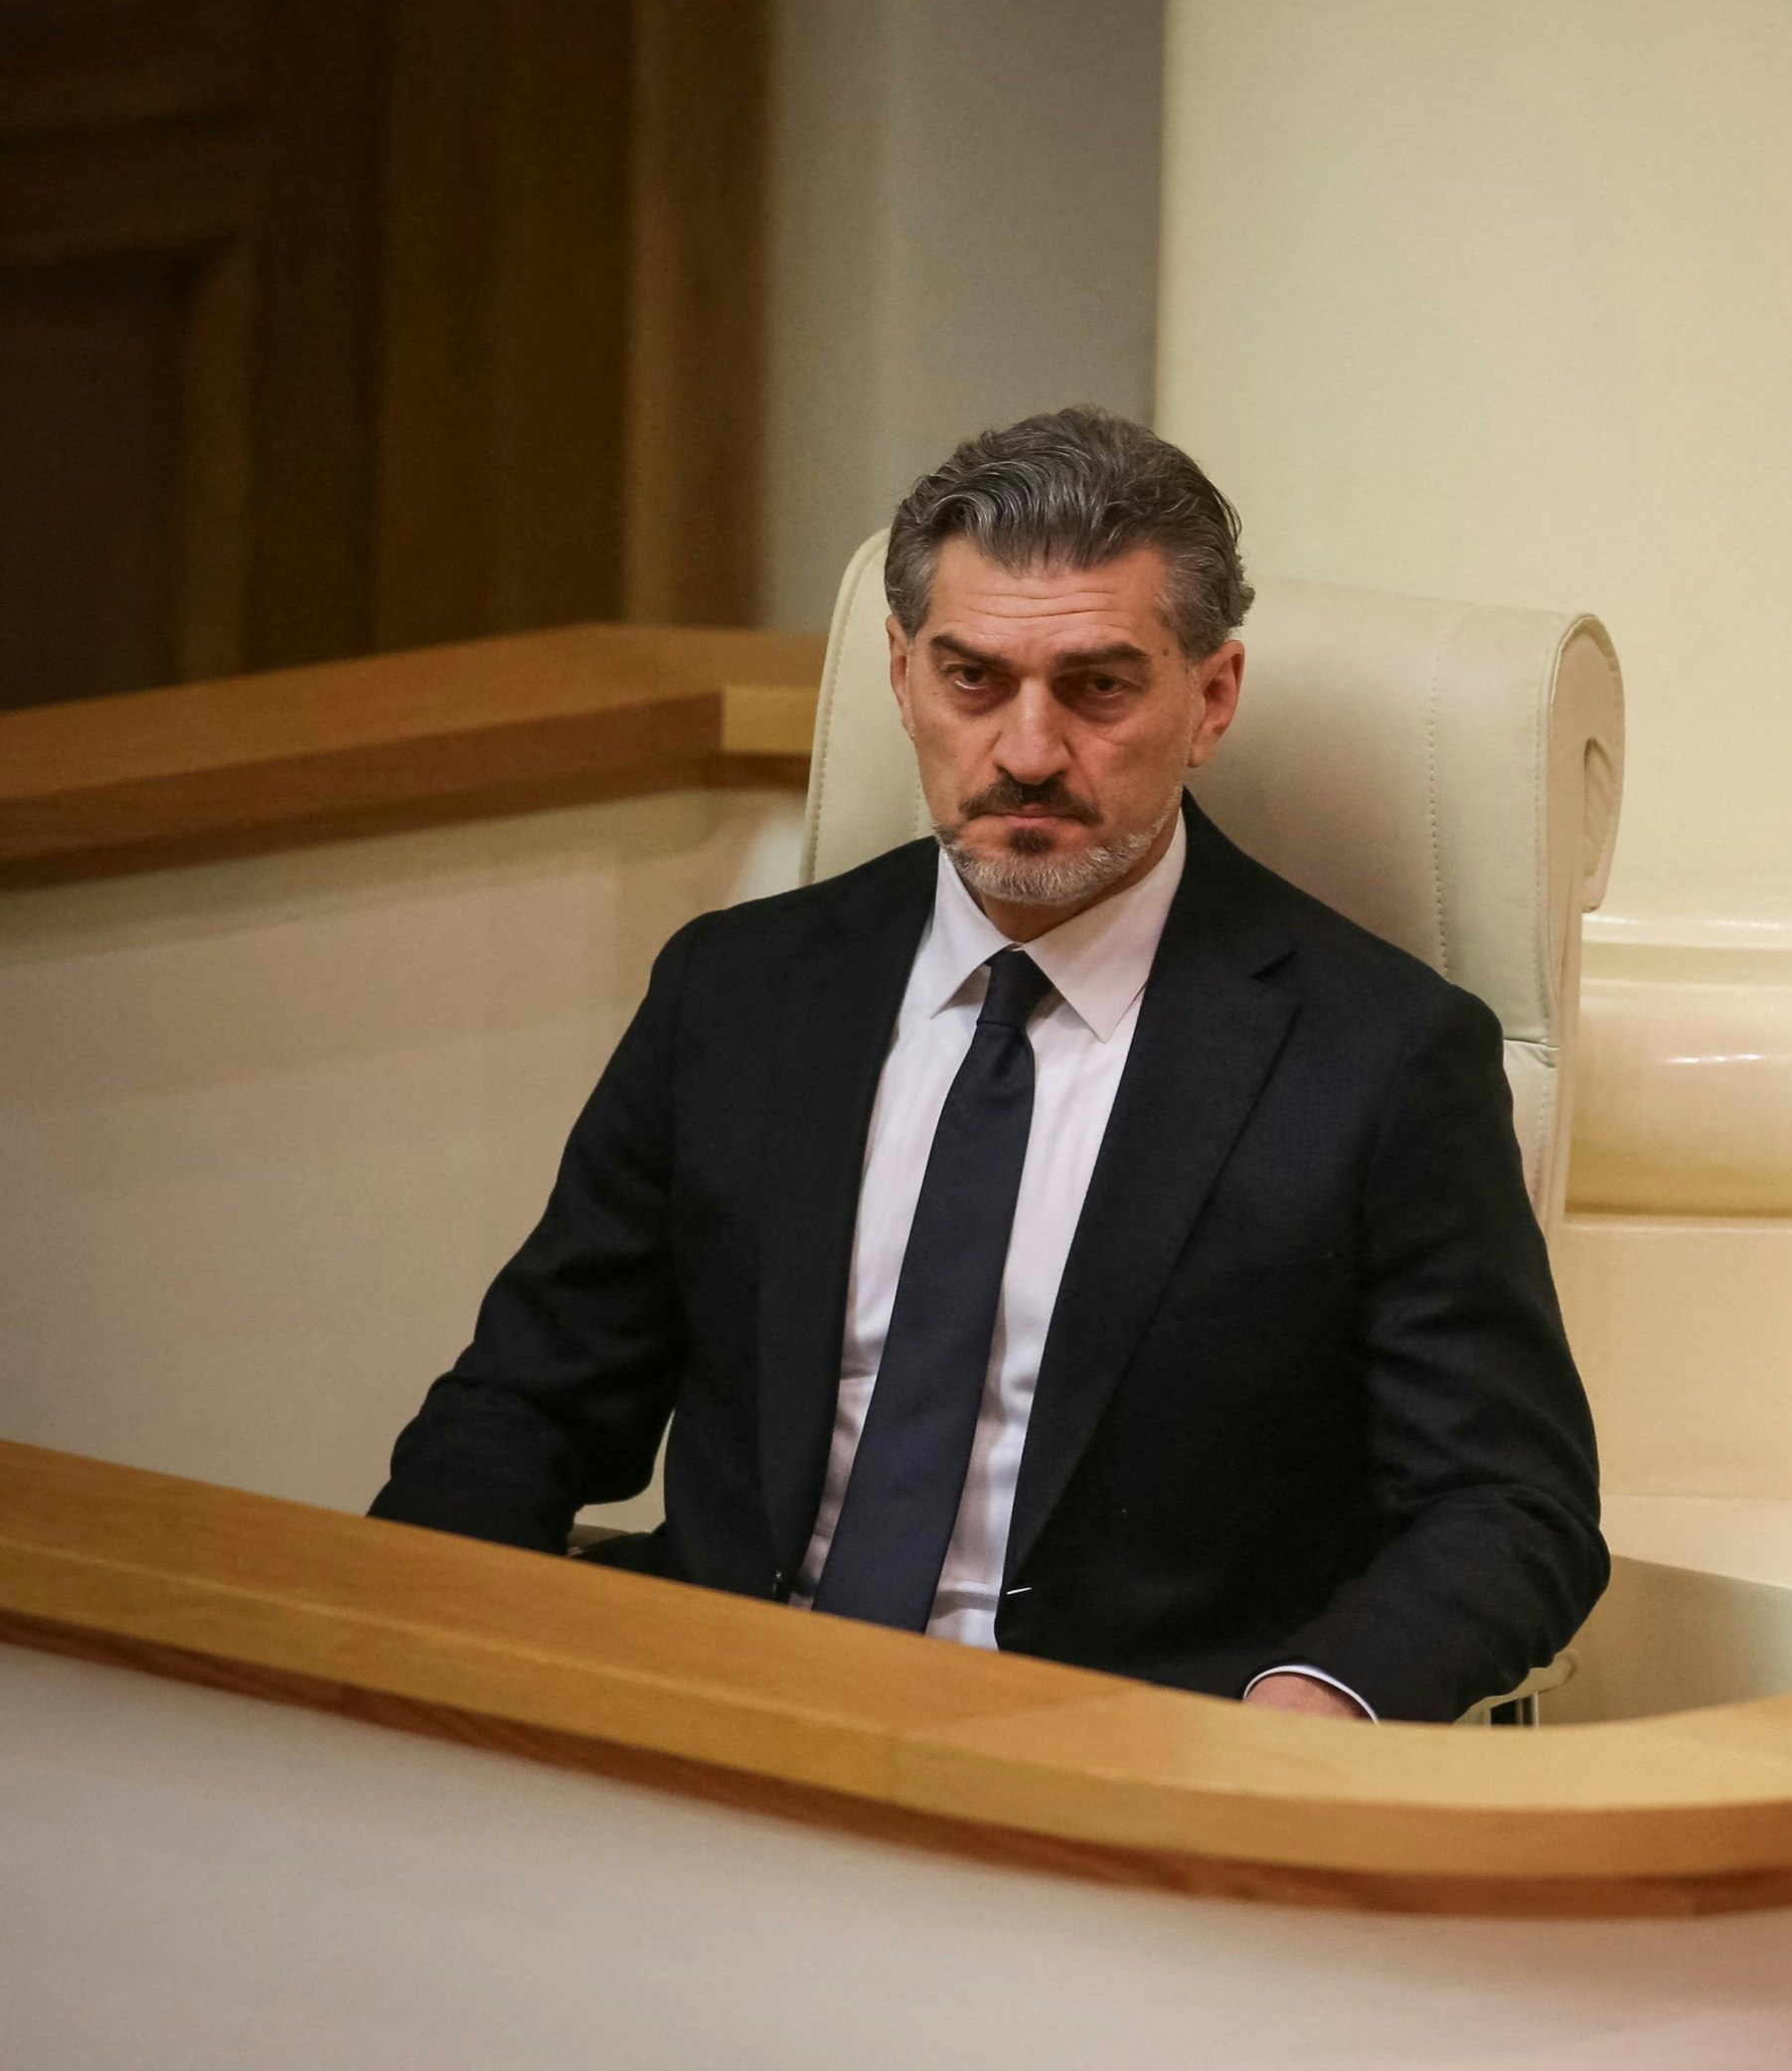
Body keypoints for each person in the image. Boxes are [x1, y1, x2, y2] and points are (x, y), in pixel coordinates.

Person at [372, 407, 1605, 1721]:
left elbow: (1508, 1506)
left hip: (1122, 1775)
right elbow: (529, 1400)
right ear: (902, 677)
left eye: (1098, 685)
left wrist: (1308, 1706)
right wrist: (390, 1642)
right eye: (973, 680)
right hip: (725, 1720)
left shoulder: (1382, 1060)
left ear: (1212, 697)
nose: (1026, 750)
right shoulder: (737, 993)